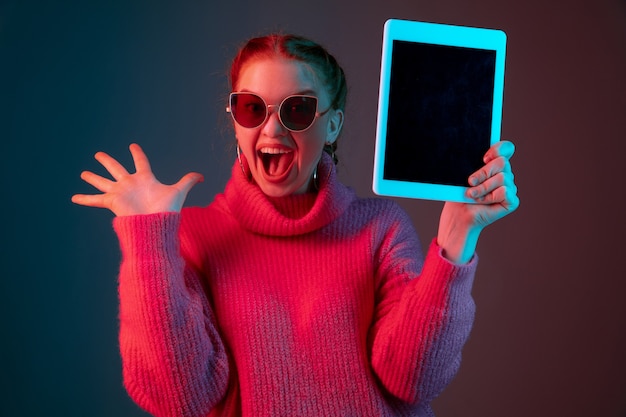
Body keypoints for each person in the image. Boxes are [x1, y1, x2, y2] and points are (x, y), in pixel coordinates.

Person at [72, 33, 518, 417]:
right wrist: (149, 241)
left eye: (298, 110)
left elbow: (413, 381)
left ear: (332, 125)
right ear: (235, 122)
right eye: (251, 108)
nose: (272, 129)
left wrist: (458, 237)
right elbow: (177, 398)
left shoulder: (379, 228)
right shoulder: (194, 236)